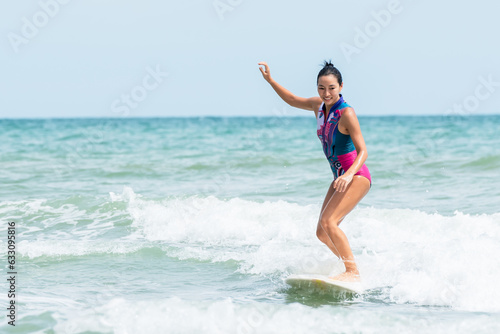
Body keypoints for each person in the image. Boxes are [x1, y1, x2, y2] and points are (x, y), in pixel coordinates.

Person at [258, 60, 371, 282]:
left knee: (330, 223)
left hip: (356, 176)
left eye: (331, 88)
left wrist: (348, 175)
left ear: (341, 87)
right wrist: (270, 80)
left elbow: (363, 151)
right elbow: (291, 100)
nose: (326, 93)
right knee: (322, 232)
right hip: (340, 177)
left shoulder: (346, 113)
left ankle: (352, 272)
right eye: (321, 88)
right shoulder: (318, 106)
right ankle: (351, 266)